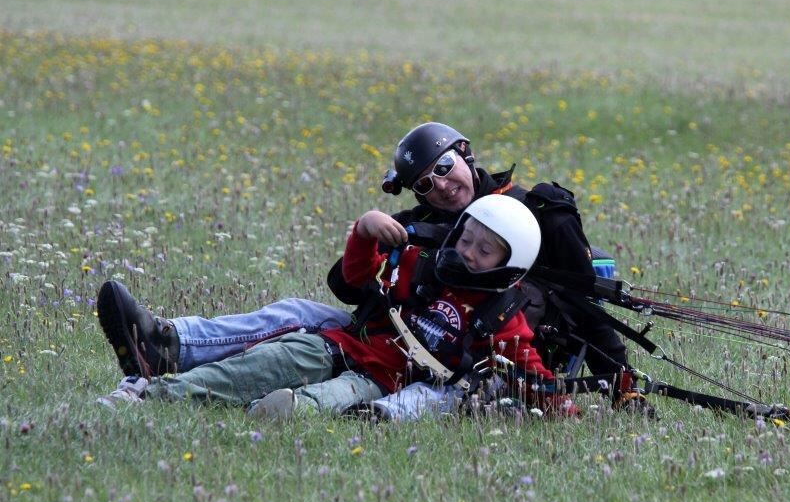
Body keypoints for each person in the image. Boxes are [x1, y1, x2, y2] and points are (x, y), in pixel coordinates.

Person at [97, 122, 640, 408]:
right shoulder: (415, 225)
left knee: (311, 337)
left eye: (446, 167)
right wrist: (365, 231)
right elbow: (349, 289)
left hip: (477, 357)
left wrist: (618, 383)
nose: (442, 185)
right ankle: (169, 345)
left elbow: (588, 306)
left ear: (466, 152)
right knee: (296, 313)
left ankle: (187, 367)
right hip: (392, 335)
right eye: (425, 181)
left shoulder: (539, 212)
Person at [99, 195, 571, 418]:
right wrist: (364, 231)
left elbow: (530, 373)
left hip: (378, 385)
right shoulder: (424, 264)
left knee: (327, 403)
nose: (468, 252)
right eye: (466, 238)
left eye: (484, 250)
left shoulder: (502, 317)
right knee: (270, 361)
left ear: (510, 265)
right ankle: (150, 392)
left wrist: (567, 406)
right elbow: (357, 278)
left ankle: (280, 411)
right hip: (343, 347)